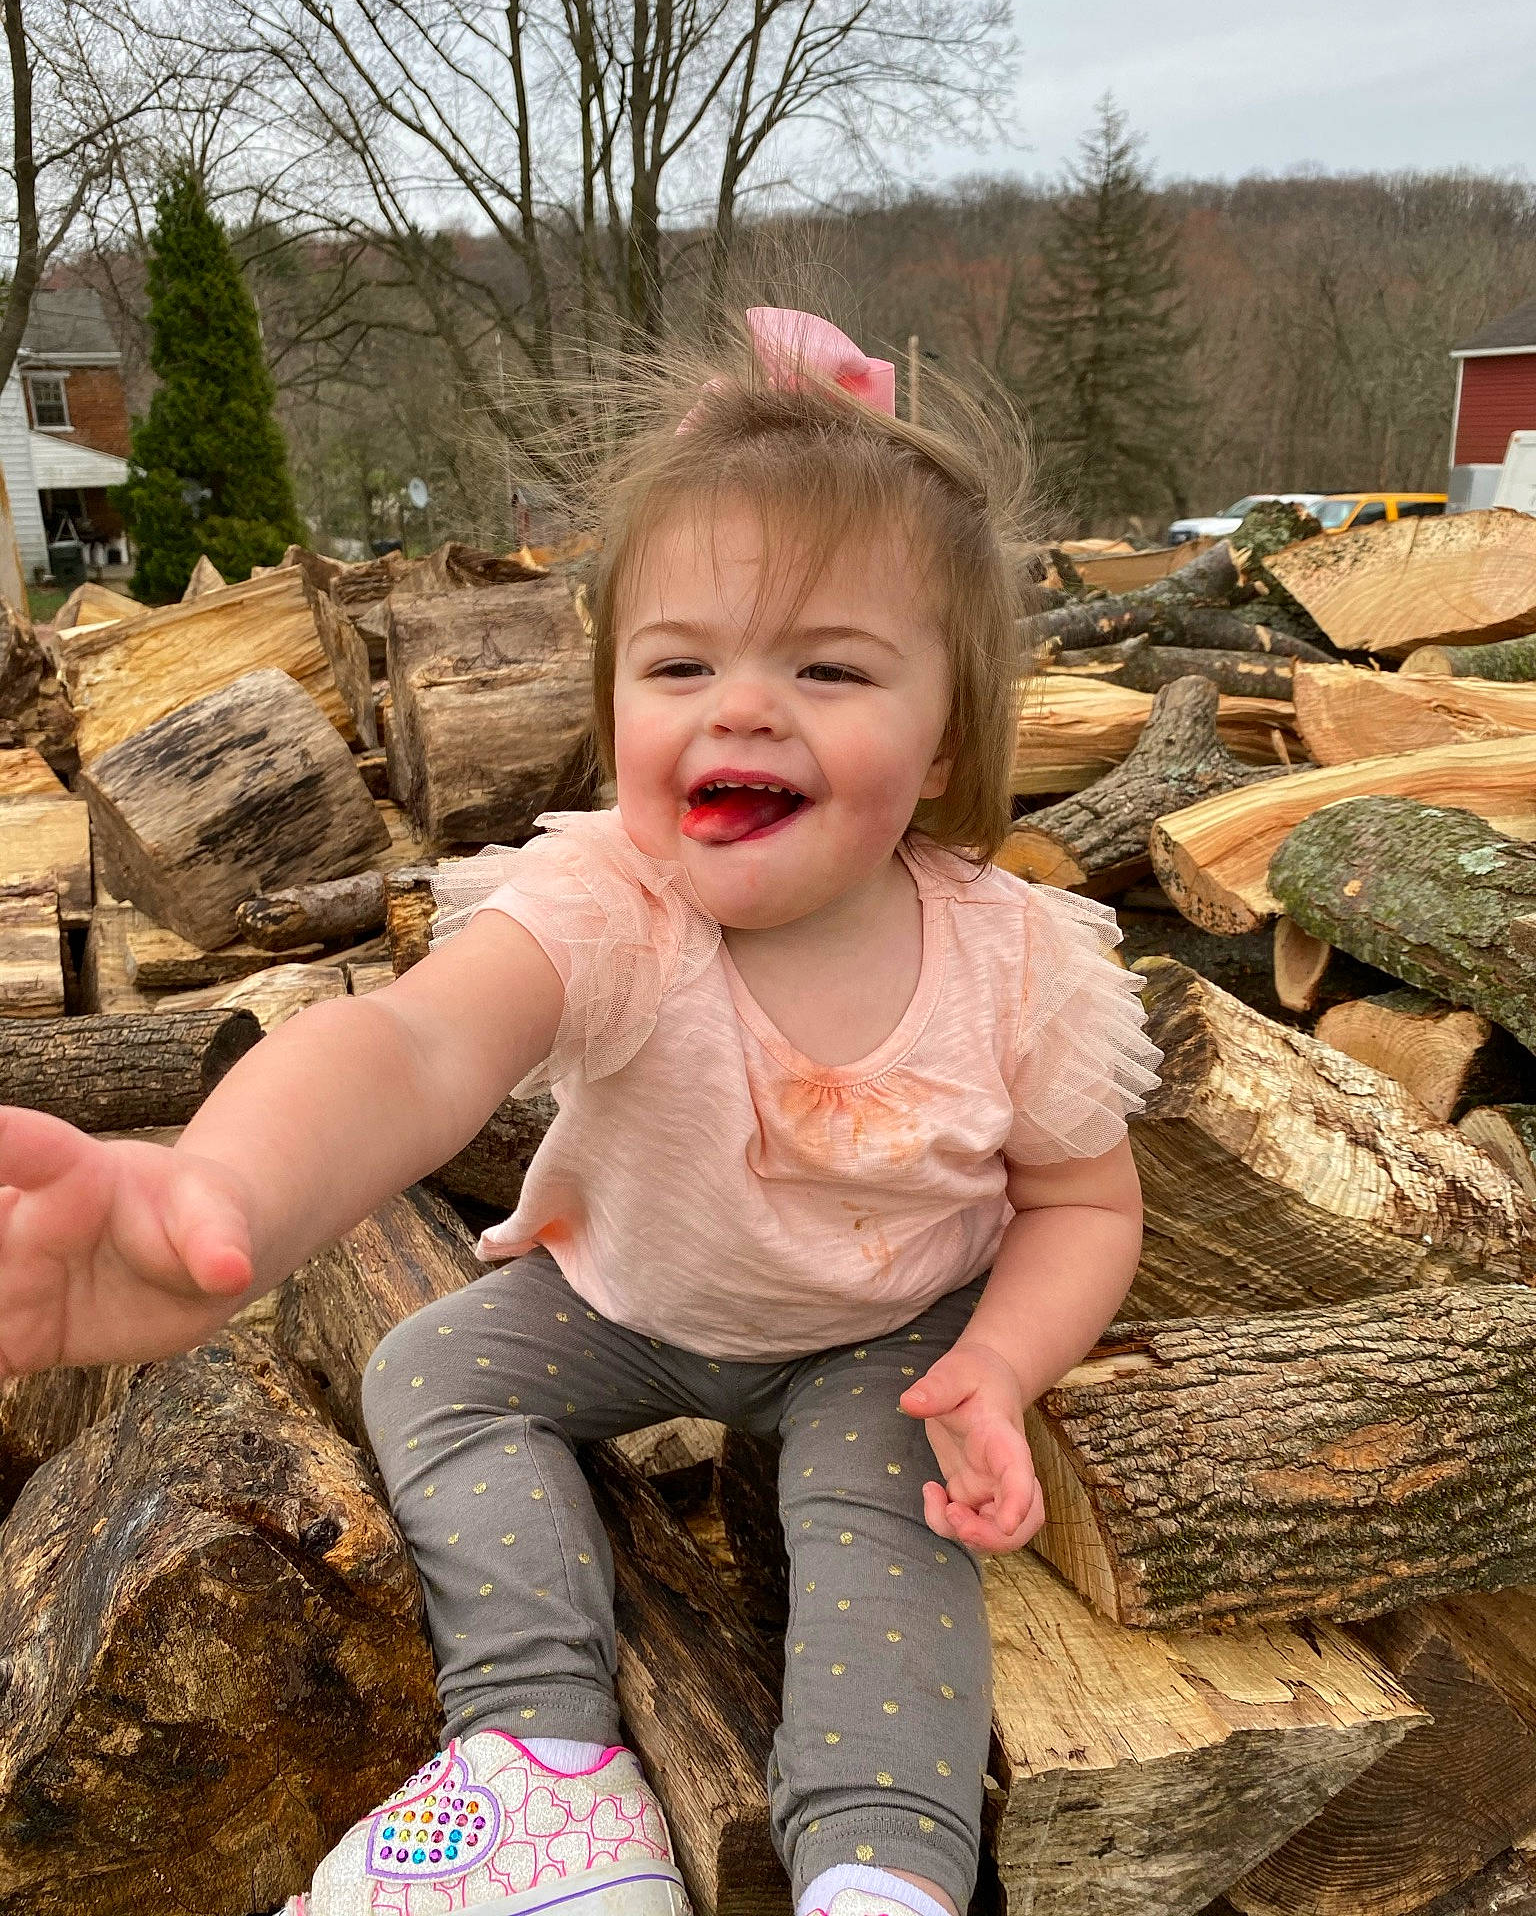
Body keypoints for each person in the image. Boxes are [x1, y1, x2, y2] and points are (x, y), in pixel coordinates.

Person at [0, 309, 1160, 1916]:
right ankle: (548, 1776)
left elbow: (1087, 1203)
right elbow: (409, 1051)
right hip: (630, 1301)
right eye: (680, 665)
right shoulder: (613, 903)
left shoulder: (1015, 965)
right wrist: (214, 1191)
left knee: (887, 1523)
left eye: (827, 668)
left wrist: (1000, 1362)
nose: (739, 709)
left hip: (882, 1334)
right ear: (612, 691)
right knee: (434, 1374)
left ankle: (883, 1869)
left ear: (948, 724)